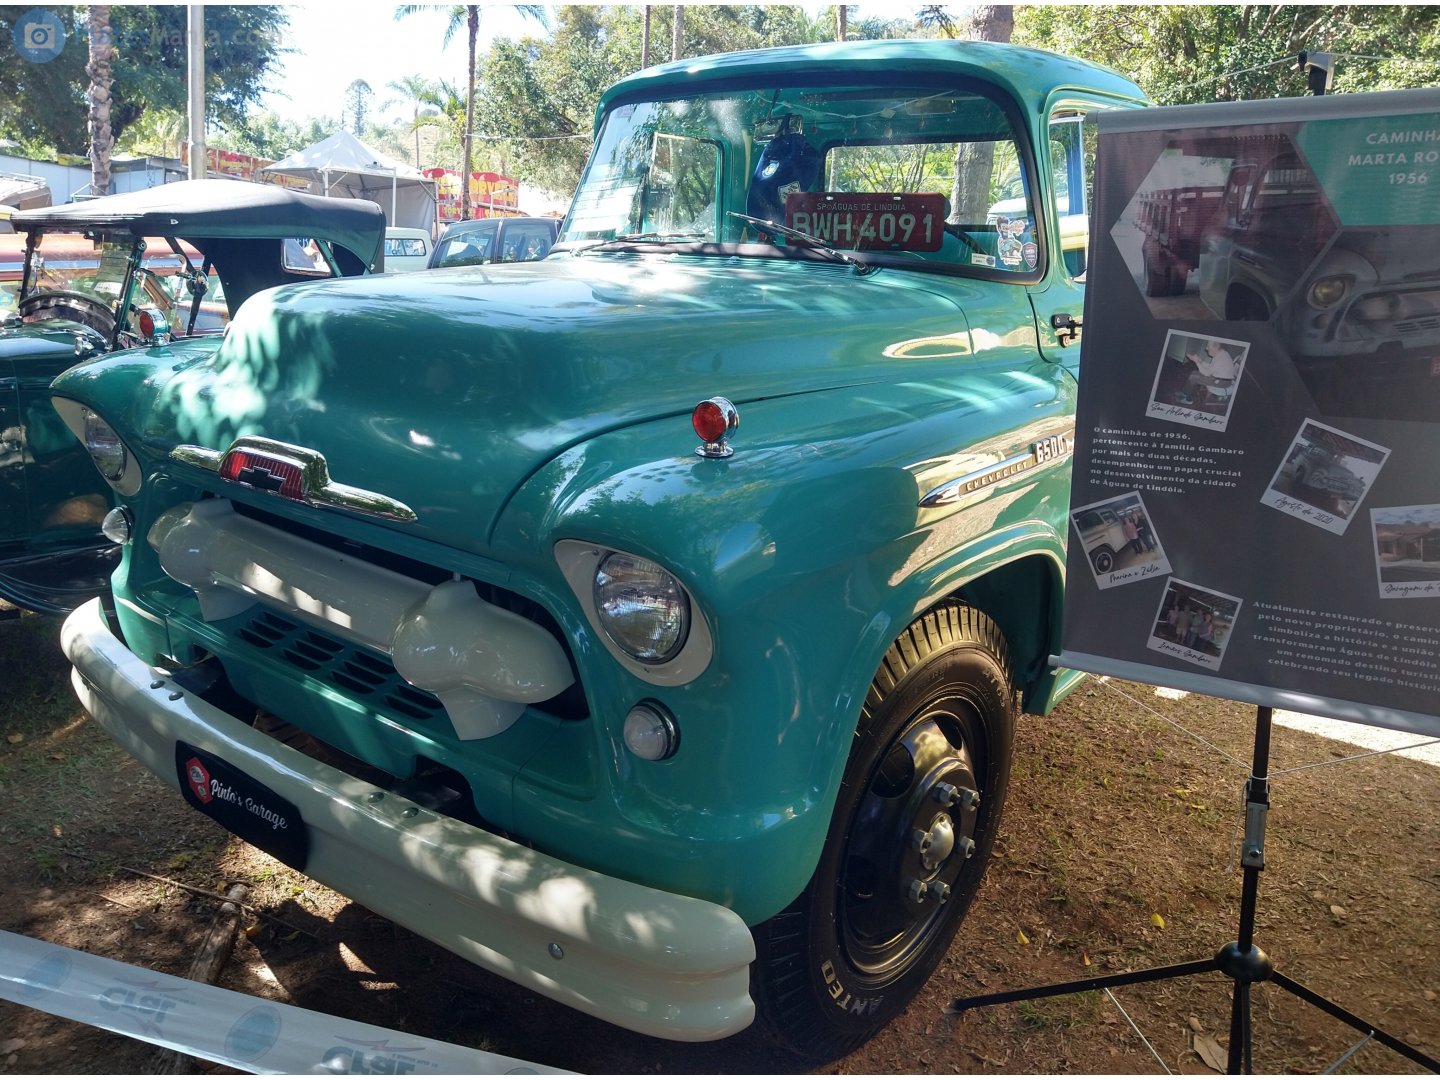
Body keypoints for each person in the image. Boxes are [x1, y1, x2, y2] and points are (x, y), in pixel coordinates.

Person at [1178, 338, 1238, 404]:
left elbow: (1207, 373)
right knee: (1194, 373)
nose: (1206, 348)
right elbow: (1211, 368)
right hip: (1220, 379)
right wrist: (1200, 361)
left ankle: (1187, 399)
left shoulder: (1221, 358)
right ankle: (1185, 392)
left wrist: (1197, 362)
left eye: (1208, 346)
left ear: (1216, 347)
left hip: (1222, 382)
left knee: (1193, 377)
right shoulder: (1221, 354)